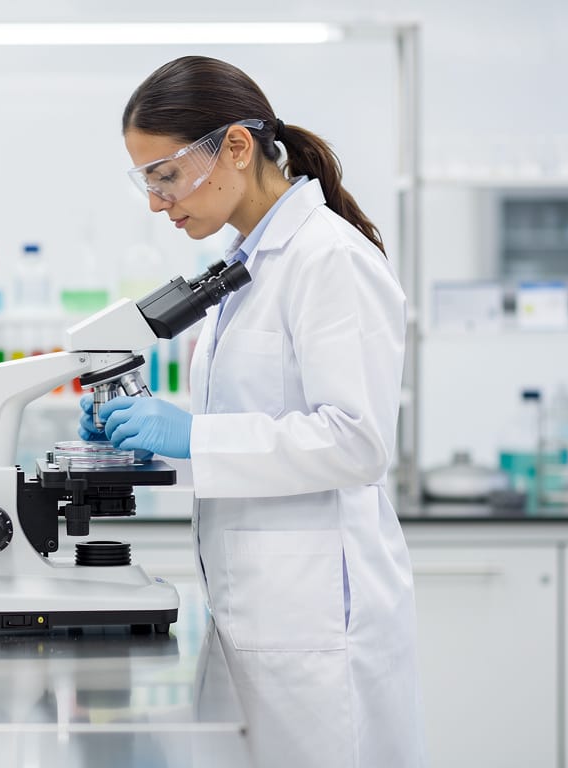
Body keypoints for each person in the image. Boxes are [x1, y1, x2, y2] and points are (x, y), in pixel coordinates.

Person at [79, 56, 426, 767]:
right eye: (147, 181)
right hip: (256, 612)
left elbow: (356, 442)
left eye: (166, 176)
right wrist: (154, 439)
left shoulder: (328, 258)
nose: (157, 203)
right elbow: (254, 424)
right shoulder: (248, 265)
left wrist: (195, 436)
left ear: (235, 147)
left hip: (316, 627)